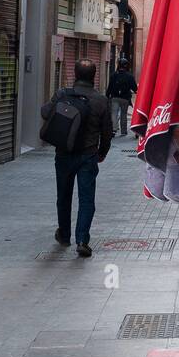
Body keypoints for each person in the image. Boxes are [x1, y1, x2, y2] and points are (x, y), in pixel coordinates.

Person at [41, 59, 111, 257]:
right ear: (94, 77)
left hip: (63, 154)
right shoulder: (100, 100)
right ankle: (82, 240)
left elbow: (45, 112)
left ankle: (64, 235)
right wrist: (102, 152)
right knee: (86, 199)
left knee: (63, 196)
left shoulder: (62, 94)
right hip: (88, 156)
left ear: (75, 75)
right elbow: (107, 132)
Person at [106, 59, 138, 137]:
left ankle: (113, 129)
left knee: (114, 113)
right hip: (125, 98)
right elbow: (134, 88)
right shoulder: (130, 76)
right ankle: (123, 131)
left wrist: (107, 96)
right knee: (124, 114)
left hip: (115, 97)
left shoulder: (114, 75)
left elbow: (109, 87)